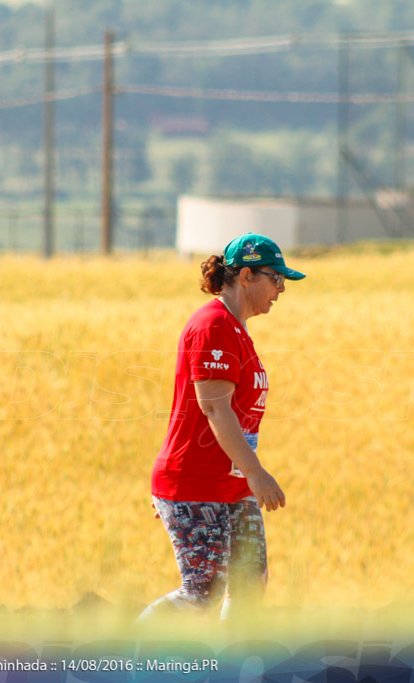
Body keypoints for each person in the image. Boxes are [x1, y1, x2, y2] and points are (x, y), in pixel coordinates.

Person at [140, 233, 305, 620]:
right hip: (197, 483)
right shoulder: (213, 326)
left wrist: (246, 476)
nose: (281, 290)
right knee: (202, 594)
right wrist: (256, 473)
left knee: (248, 586)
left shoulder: (236, 329)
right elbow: (214, 409)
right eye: (275, 278)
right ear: (246, 276)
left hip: (231, 485)